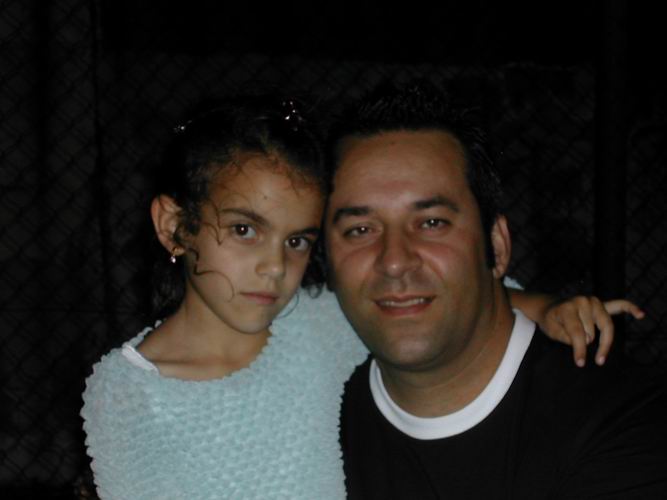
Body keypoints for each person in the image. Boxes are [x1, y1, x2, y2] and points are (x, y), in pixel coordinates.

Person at [81, 93, 638, 500]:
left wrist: (549, 309)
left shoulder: (311, 327)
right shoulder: (127, 391)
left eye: (297, 240)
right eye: (245, 229)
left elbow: (451, 299)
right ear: (174, 226)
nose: (274, 266)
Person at [328, 82, 667, 498]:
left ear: (498, 246)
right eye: (360, 230)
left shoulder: (621, 421)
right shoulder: (306, 416)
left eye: (432, 223)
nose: (395, 260)